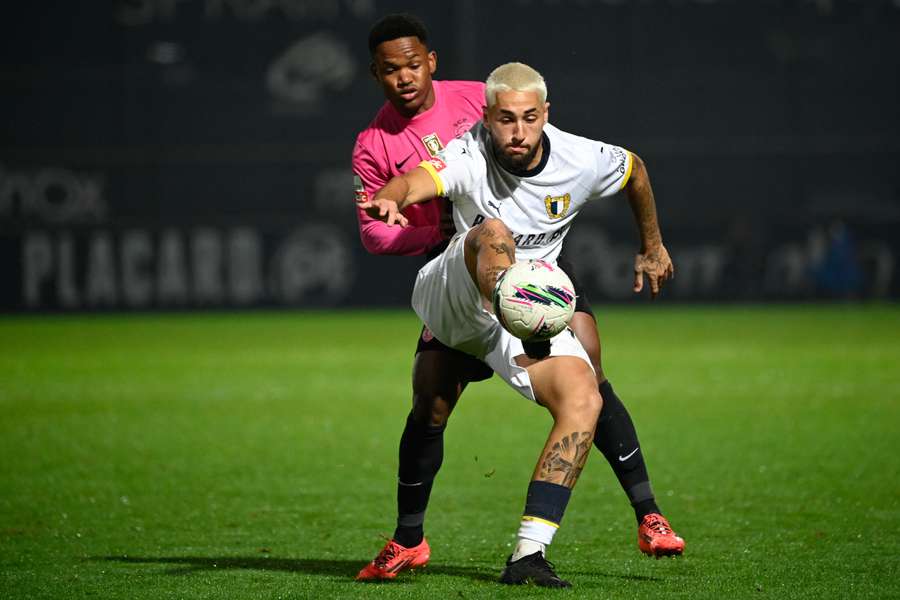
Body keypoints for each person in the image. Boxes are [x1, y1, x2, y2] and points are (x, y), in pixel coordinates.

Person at [352, 14, 683, 583]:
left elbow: (635, 170)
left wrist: (652, 246)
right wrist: (393, 193)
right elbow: (420, 180)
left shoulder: (579, 156)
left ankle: (530, 555)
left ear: (545, 115)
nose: (517, 131)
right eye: (505, 119)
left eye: (528, 118)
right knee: (491, 232)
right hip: (458, 285)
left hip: (532, 292)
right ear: (487, 118)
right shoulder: (455, 151)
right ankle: (409, 535)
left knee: (585, 395)